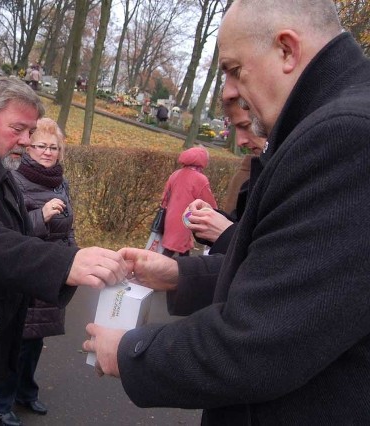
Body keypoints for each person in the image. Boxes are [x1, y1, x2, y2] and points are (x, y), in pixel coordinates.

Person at [84, 0, 370, 423]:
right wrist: (178, 275)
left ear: (287, 50)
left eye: (234, 69)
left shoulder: (345, 136)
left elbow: (262, 342)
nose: (228, 92)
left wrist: (130, 352)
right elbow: (291, 274)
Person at [0, 79, 127, 426]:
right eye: (19, 128)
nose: (26, 141)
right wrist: (65, 263)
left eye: (30, 131)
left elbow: (7, 229)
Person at [0, 118, 76, 423]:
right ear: (29, 148)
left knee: (37, 338)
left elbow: (69, 228)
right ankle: (2, 402)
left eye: (54, 147)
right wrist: (40, 216)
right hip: (27, 270)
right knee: (18, 339)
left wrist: (71, 259)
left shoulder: (60, 181)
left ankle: (27, 391)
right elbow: (8, 232)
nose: (48, 152)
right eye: (41, 145)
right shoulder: (14, 180)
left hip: (52, 269)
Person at [186, 97, 268, 254]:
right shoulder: (256, 172)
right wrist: (212, 219)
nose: (239, 141)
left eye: (246, 126)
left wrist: (224, 231)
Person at [159, 146, 217, 257]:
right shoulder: (200, 179)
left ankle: (183, 271)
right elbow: (209, 201)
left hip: (171, 216)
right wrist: (216, 213)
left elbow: (164, 197)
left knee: (180, 247)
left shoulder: (175, 174)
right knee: (172, 249)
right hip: (186, 217)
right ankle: (155, 270)